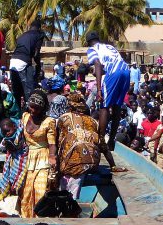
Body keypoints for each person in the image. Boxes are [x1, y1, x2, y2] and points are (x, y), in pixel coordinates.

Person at [85, 31, 131, 169]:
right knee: (117, 105)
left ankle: (100, 139)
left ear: (88, 42)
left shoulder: (92, 49)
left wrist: (99, 89)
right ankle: (111, 139)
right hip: (126, 72)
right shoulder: (110, 47)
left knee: (104, 105)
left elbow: (98, 64)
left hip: (114, 74)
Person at [16, 89, 57, 218]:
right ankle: (26, 221)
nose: (33, 111)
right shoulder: (25, 116)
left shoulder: (49, 121)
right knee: (26, 192)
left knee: (40, 190)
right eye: (31, 107)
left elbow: (52, 144)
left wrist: (52, 157)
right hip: (27, 158)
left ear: (43, 108)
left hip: (43, 158)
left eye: (37, 109)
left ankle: (42, 221)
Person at [54, 90, 100, 198]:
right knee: (74, 190)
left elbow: (58, 141)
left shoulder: (63, 118)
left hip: (69, 161)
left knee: (64, 190)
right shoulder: (94, 121)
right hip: (87, 163)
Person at [10, 19, 46, 108]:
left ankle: (16, 115)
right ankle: (29, 114)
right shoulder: (39, 35)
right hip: (23, 63)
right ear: (39, 28)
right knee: (29, 91)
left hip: (12, 62)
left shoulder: (22, 35)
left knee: (16, 92)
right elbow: (36, 53)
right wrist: (38, 65)